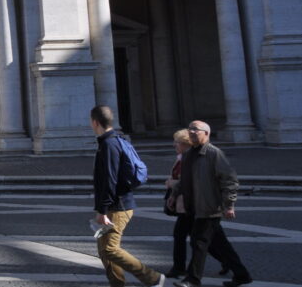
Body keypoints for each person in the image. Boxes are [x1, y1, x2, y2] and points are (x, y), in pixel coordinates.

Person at [90, 105, 164, 287]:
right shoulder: (111, 141)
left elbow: (110, 179)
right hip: (116, 204)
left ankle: (152, 277)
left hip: (118, 205)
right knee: (104, 250)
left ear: (95, 122)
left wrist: (102, 210)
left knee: (110, 249)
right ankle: (117, 284)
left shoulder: (109, 144)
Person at [177, 120, 252, 287]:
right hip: (194, 206)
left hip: (209, 207)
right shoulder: (188, 154)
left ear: (207, 133)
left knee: (199, 242)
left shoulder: (214, 153)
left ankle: (192, 279)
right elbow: (185, 180)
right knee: (221, 245)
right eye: (190, 129)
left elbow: (229, 180)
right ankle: (242, 275)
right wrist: (175, 195)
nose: (191, 132)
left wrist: (229, 204)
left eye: (196, 129)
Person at [165, 129, 231, 279]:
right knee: (205, 238)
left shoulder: (193, 158)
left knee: (197, 238)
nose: (174, 144)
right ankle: (229, 262)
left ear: (186, 144)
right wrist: (173, 193)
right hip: (187, 203)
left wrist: (171, 183)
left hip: (194, 204)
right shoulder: (182, 158)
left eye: (177, 142)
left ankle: (180, 269)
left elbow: (192, 181)